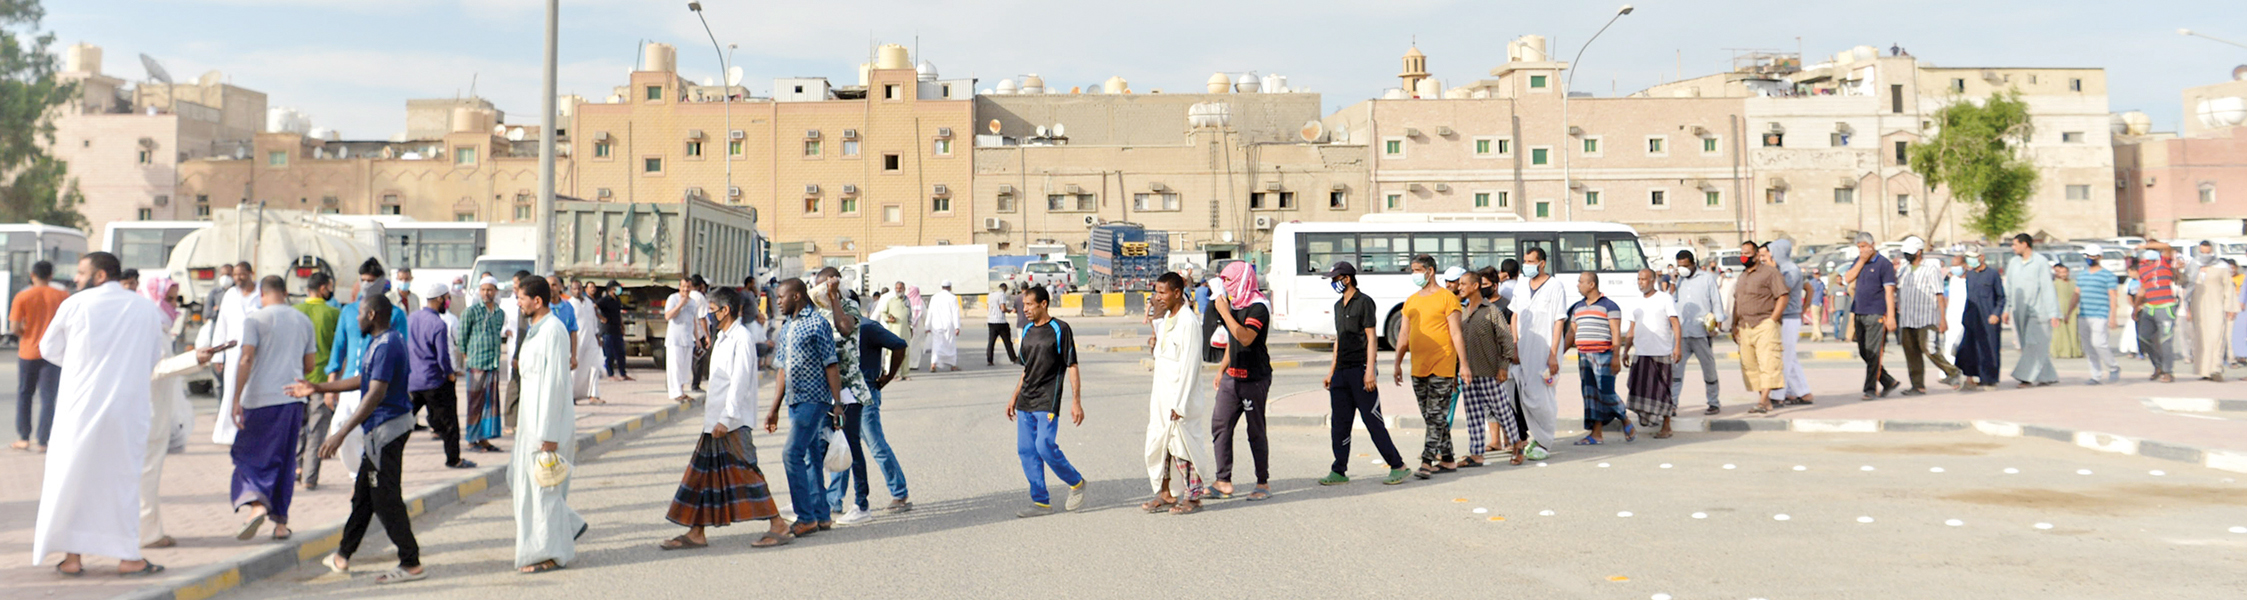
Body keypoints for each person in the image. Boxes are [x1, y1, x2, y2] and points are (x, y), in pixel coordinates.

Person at [33, 252, 170, 576]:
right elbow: (153, 358)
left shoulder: (76, 304)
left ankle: (72, 557)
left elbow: (48, 349)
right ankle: (127, 557)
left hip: (79, 408)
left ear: (99, 276)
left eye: (81, 272)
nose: (76, 278)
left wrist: (85, 364)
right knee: (121, 482)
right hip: (127, 410)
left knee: (72, 478)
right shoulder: (145, 309)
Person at [286, 293, 427, 583]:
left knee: (385, 498)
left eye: (360, 313)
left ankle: (410, 562)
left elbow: (374, 393)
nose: (356, 317)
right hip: (380, 431)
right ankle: (342, 556)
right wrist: (319, 387)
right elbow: (365, 380)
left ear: (372, 315)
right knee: (364, 496)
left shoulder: (387, 345)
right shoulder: (380, 342)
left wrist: (340, 433)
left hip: (386, 431)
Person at [659, 287, 792, 550]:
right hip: (716, 420)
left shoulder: (740, 338)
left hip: (731, 422)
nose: (708, 315)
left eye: (711, 311)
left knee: (746, 473)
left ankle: (779, 525)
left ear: (725, 310)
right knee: (702, 477)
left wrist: (727, 418)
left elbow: (740, 382)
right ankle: (697, 532)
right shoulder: (722, 337)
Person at [229, 276, 321, 541]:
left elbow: (246, 357)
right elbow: (310, 365)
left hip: (260, 399)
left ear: (262, 294)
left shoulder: (255, 320)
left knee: (248, 455)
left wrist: (236, 398)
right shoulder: (303, 320)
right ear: (285, 292)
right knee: (285, 460)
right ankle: (280, 525)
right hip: (292, 401)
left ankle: (257, 504)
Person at [509, 277, 586, 574]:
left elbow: (555, 384)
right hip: (530, 424)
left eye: (521, 297)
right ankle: (570, 525)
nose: (518, 302)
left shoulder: (553, 331)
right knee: (518, 480)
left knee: (544, 492)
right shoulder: (535, 330)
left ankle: (550, 553)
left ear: (537, 301)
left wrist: (549, 435)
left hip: (547, 426)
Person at [1317, 262, 1409, 485]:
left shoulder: (1365, 302)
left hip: (1360, 370)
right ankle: (1338, 470)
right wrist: (1331, 371)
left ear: (1346, 279)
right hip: (1341, 371)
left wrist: (1370, 371)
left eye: (1335, 279)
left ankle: (1398, 466)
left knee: (1372, 421)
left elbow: (1371, 338)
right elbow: (1339, 339)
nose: (1332, 283)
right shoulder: (1339, 305)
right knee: (1339, 423)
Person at [763, 278, 839, 536]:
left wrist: (837, 404)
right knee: (810, 455)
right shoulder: (787, 327)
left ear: (796, 296)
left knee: (791, 454)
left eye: (781, 297)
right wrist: (774, 408)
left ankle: (805, 517)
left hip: (814, 400)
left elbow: (831, 364)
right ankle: (821, 515)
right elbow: (782, 369)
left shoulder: (817, 324)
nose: (778, 302)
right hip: (794, 401)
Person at [1004, 285, 1087, 518]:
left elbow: (1072, 365)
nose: (1025, 309)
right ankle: (1041, 502)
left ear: (1043, 304)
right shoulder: (1028, 330)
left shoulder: (1060, 329)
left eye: (1029, 304)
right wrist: (1013, 397)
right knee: (1026, 450)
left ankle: (1076, 482)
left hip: (1047, 399)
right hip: (1026, 400)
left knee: (1044, 445)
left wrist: (1076, 402)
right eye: (1023, 305)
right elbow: (1026, 369)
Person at [326, 260, 409, 485]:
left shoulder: (394, 314)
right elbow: (339, 346)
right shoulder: (350, 312)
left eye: (371, 281)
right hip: (350, 382)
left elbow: (402, 351)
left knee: (371, 433)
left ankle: (370, 479)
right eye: (362, 280)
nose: (365, 284)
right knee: (341, 425)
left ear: (381, 282)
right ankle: (356, 474)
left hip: (377, 385)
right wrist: (331, 378)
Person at [144, 340, 229, 549]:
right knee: (145, 477)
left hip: (148, 412)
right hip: (146, 413)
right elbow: (153, 368)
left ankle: (146, 532)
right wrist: (193, 359)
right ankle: (146, 534)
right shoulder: (142, 315)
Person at [1142, 273, 1214, 512]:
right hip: (1162, 396)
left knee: (1183, 446)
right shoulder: (1167, 319)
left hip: (1180, 398)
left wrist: (1180, 403)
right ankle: (1165, 493)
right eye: (1156, 292)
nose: (1158, 297)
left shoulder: (1188, 322)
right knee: (1160, 444)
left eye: (1162, 292)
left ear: (1176, 292)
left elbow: (1191, 365)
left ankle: (1192, 498)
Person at [807, 272, 875, 525]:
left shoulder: (848, 306)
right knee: (817, 448)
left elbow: (845, 328)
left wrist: (834, 297)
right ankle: (815, 503)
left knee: (851, 446)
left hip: (848, 390)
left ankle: (862, 504)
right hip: (823, 390)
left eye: (822, 287)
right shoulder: (816, 312)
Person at [1393, 255, 1467, 477]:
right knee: (1431, 415)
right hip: (1418, 366)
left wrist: (1463, 365)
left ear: (1430, 271)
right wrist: (1397, 363)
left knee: (1435, 415)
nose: (1414, 274)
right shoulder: (1411, 301)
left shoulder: (1447, 299)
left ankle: (1427, 460)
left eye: (1418, 270)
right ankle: (1448, 459)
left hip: (1442, 365)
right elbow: (1404, 334)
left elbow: (1456, 332)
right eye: (1413, 270)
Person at [1207, 261, 1276, 498]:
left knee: (1255, 430)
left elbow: (1245, 337)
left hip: (1254, 378)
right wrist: (1221, 370)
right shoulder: (1235, 305)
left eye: (1228, 280)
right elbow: (1232, 342)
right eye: (1223, 281)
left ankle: (1262, 482)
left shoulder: (1259, 306)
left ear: (1242, 280)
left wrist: (1225, 312)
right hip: (1231, 378)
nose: (1225, 285)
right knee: (1220, 425)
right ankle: (1222, 480)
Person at [403, 281, 471, 469]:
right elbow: (442, 357)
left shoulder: (411, 319)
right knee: (450, 423)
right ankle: (453, 459)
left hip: (412, 381)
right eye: (447, 299)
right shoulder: (438, 324)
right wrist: (450, 374)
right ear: (440, 299)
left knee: (402, 420)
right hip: (433, 380)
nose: (448, 303)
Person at [852, 307, 914, 513]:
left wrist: (887, 377)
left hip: (866, 392)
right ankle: (833, 501)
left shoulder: (868, 327)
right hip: (844, 395)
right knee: (842, 448)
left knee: (876, 445)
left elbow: (899, 345)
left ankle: (900, 493)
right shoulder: (836, 329)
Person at [1454, 269, 1519, 464]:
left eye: (1463, 284)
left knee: (1503, 411)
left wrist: (1503, 366)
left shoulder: (1491, 311)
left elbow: (1506, 340)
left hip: (1490, 372)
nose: (1460, 287)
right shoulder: (1462, 312)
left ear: (1475, 286)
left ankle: (1517, 446)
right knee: (1473, 414)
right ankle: (1476, 453)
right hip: (1468, 375)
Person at [1510, 247, 1566, 458]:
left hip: (1544, 352)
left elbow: (1559, 320)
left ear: (1542, 263)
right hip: (1522, 349)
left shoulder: (1555, 286)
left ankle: (1545, 442)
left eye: (1531, 261)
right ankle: (1532, 437)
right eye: (1525, 261)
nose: (1527, 265)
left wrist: (1553, 354)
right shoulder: (1521, 285)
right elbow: (1514, 315)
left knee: (1542, 398)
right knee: (1520, 393)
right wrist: (1513, 343)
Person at [1561, 272, 1629, 443]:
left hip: (1603, 355)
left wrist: (1616, 357)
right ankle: (1596, 434)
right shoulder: (1578, 307)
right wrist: (1557, 353)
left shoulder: (1610, 306)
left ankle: (1624, 418)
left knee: (1606, 392)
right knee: (1590, 394)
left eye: (1581, 282)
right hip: (1584, 356)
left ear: (1591, 285)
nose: (1578, 285)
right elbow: (1571, 333)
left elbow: (1615, 333)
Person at [11, 260, 66, 451]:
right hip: (53, 354)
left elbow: (14, 327)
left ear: (32, 274)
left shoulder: (23, 296)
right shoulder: (62, 295)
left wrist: (26, 333)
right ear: (51, 275)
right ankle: (43, 440)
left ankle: (24, 437)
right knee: (48, 396)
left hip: (28, 351)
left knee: (25, 394)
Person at [1895, 237, 1962, 394]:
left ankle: (1953, 372)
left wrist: (1942, 319)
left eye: (1909, 253)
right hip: (1907, 318)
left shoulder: (1930, 269)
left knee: (1929, 348)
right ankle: (1917, 385)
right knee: (1911, 352)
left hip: (1926, 317)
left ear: (1919, 252)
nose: (1907, 255)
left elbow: (1939, 294)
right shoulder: (1903, 269)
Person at [294, 274, 342, 488]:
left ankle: (296, 469)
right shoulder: (333, 314)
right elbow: (339, 350)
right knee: (316, 431)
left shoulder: (294, 312)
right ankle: (310, 478)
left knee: (298, 427)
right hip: (322, 381)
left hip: (296, 380)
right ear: (323, 289)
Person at [1623, 268, 1682, 438]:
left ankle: (1666, 426)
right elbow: (1632, 328)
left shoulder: (1665, 298)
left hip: (1661, 352)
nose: (1640, 282)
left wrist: (1677, 346)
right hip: (1641, 353)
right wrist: (1626, 350)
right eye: (1639, 279)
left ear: (1653, 280)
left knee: (1663, 391)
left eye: (1644, 279)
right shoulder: (1635, 302)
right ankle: (1648, 420)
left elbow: (1675, 323)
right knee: (1638, 388)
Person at [1735, 240, 1793, 413]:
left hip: (1764, 324)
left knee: (1768, 363)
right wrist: (1734, 325)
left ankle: (1762, 402)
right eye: (1742, 253)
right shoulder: (1742, 276)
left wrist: (1772, 320)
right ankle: (1765, 400)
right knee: (1750, 366)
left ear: (1757, 255)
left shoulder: (1770, 273)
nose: (1744, 257)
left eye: (1748, 254)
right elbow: (1737, 302)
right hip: (1745, 326)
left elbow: (1783, 296)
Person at [1839, 234, 1900, 399]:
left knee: (1874, 352)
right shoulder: (1859, 262)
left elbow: (1889, 292)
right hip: (1859, 311)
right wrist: (1861, 261)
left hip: (1876, 313)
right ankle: (1888, 381)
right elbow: (1848, 278)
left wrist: (1891, 316)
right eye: (1859, 247)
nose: (1862, 250)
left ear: (1873, 245)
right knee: (1864, 351)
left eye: (1864, 246)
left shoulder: (1884, 264)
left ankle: (1870, 389)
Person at [209, 261, 263, 444]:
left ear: (250, 273)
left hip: (257, 351)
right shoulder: (230, 295)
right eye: (235, 275)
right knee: (232, 389)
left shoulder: (261, 293)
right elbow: (221, 326)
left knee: (254, 389)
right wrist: (217, 354)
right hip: (233, 352)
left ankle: (253, 431)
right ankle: (228, 433)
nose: (238, 278)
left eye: (242, 274)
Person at [1669, 250, 1727, 415]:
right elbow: (1669, 302)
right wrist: (1673, 282)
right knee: (1676, 371)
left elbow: (1716, 302)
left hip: (1702, 333)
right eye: (1680, 266)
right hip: (1682, 334)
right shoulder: (1678, 281)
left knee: (1709, 369)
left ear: (1693, 263)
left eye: (1686, 266)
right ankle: (1672, 404)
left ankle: (1713, 402)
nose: (1683, 269)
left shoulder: (1706, 278)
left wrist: (1717, 325)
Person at [2002, 234, 2060, 387]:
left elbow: (2048, 288)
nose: (2013, 248)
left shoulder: (2040, 262)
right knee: (2028, 344)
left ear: (2025, 244)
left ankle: (2025, 377)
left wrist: (2053, 313)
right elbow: (2009, 288)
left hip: (2039, 311)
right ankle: (2048, 376)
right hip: (2019, 310)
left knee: (2033, 343)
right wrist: (2006, 309)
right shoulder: (2014, 262)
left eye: (2015, 244)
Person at [458, 277, 508, 453]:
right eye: (484, 289)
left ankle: (485, 438)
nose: (487, 293)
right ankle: (472, 440)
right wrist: (467, 356)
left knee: (490, 403)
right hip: (476, 363)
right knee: (475, 403)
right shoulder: (471, 312)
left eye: (490, 289)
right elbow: (462, 337)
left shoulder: (500, 313)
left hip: (492, 363)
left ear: (495, 291)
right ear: (479, 291)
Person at [2179, 241, 2239, 382]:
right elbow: (2184, 284)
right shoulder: (2193, 265)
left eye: (2208, 252)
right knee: (2201, 339)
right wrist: (2179, 270)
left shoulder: (2221, 267)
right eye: (2202, 252)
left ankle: (2216, 369)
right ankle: (2204, 371)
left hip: (2217, 306)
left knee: (2217, 337)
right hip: (2197, 307)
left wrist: (2230, 308)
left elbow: (2228, 288)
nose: (2205, 256)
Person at [1764, 240, 1815, 405]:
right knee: (1789, 357)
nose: (1769, 256)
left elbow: (1781, 290)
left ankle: (1777, 396)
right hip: (1782, 317)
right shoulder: (1781, 269)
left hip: (1789, 317)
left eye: (1771, 252)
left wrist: (1771, 271)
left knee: (1783, 358)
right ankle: (1803, 392)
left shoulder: (1791, 270)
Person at [2069, 246, 2122, 385]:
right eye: (2088, 256)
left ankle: (2113, 366)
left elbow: (2113, 296)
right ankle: (2095, 375)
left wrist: (2113, 316)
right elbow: (2076, 294)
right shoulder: (2082, 275)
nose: (2090, 259)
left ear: (2100, 257)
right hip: (2084, 315)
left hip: (2100, 314)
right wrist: (2069, 312)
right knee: (2088, 347)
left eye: (2093, 257)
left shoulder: (2108, 276)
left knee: (2099, 343)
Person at [1957, 251, 2006, 391]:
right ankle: (1970, 378)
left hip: (1989, 318)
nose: (1971, 261)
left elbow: (2001, 297)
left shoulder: (1993, 274)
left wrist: (1996, 314)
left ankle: (1990, 380)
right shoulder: (1970, 275)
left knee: (1990, 349)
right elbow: (1969, 297)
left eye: (1973, 257)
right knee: (1969, 348)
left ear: (1982, 257)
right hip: (1972, 317)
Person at [2130, 245, 2180, 381]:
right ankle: (2158, 365)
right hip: (2149, 306)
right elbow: (2143, 289)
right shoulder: (2143, 269)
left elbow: (2167, 247)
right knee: (2143, 337)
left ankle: (2168, 371)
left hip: (2165, 306)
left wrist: (2145, 245)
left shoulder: (2164, 263)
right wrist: (2135, 308)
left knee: (2165, 340)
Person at [665, 275, 706, 402]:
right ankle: (675, 393)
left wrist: (697, 339)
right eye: (683, 287)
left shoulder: (693, 302)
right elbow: (668, 316)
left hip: (688, 339)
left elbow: (694, 320)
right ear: (679, 287)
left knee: (684, 368)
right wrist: (680, 305)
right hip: (675, 340)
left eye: (688, 287)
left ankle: (681, 391)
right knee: (675, 367)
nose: (685, 290)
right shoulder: (673, 298)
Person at [877, 282, 916, 379]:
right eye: (897, 288)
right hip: (894, 330)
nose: (898, 290)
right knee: (893, 353)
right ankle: (895, 374)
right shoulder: (891, 301)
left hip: (905, 330)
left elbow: (910, 316)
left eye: (900, 288)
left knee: (906, 352)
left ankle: (905, 374)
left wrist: (911, 328)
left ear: (904, 289)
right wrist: (888, 319)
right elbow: (883, 313)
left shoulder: (907, 301)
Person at [924, 281, 963, 372]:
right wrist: (957, 327)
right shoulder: (953, 298)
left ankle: (933, 364)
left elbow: (930, 312)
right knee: (950, 344)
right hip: (949, 325)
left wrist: (927, 326)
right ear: (950, 287)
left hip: (936, 325)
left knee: (936, 344)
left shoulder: (934, 297)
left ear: (942, 287)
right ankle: (953, 365)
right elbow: (955, 313)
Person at [594, 282, 629, 381]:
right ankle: (610, 374)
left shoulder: (617, 300)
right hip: (608, 330)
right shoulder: (605, 300)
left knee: (621, 353)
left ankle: (623, 373)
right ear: (611, 289)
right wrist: (601, 318)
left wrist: (622, 326)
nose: (618, 290)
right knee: (609, 354)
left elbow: (618, 314)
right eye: (616, 288)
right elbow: (594, 307)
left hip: (617, 329)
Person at [2050, 264, 2083, 360]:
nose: (2063, 274)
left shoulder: (2074, 283)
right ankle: (2062, 351)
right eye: (2061, 272)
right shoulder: (2055, 284)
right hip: (2059, 308)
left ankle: (2075, 351)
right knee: (2060, 331)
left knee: (2073, 330)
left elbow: (2077, 295)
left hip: (2072, 309)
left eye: (2065, 272)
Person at [1943, 256, 1970, 363]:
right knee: (1949, 345)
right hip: (1951, 318)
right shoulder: (1951, 280)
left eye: (1956, 265)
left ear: (1965, 265)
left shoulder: (1970, 280)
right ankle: (1947, 373)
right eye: (1952, 265)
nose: (1954, 268)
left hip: (1966, 318)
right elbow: (1945, 298)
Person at [986, 283, 1019, 366]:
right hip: (1000, 321)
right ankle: (1013, 358)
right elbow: (1003, 308)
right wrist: (1009, 311)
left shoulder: (990, 295)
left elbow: (988, 307)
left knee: (991, 342)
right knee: (1007, 341)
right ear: (1005, 288)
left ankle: (990, 360)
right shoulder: (1001, 295)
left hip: (991, 320)